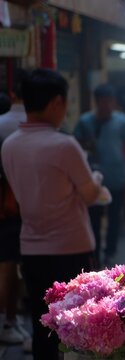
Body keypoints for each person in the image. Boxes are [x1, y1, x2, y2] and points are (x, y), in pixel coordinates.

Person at [1, 68, 103, 360]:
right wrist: (95, 177)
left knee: (42, 322)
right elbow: (90, 194)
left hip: (32, 248)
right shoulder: (64, 145)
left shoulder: (9, 146)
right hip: (71, 248)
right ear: (56, 103)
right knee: (79, 323)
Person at [74, 84, 125, 267]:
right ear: (97, 102)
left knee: (115, 218)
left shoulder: (122, 121)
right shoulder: (85, 122)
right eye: (103, 102)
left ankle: (110, 253)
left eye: (110, 102)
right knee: (93, 220)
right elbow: (78, 149)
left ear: (114, 102)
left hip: (117, 178)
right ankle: (95, 254)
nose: (107, 106)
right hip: (93, 182)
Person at [0, 71, 30, 347]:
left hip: (7, 206)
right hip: (27, 206)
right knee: (15, 264)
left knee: (8, 263)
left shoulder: (3, 124)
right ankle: (10, 319)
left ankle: (11, 319)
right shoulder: (34, 124)